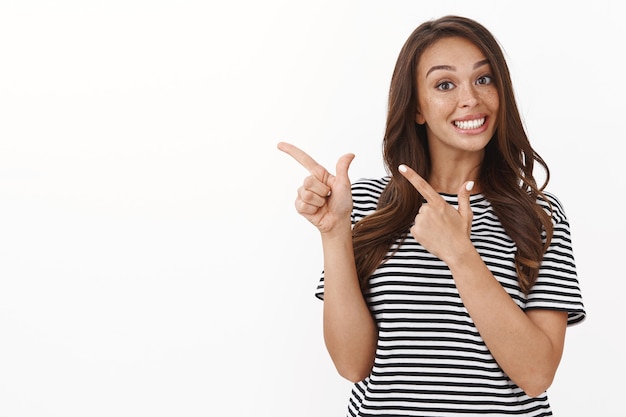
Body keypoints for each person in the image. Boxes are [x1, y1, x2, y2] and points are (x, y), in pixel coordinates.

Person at [277, 15, 585, 416]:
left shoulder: (538, 215)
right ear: (417, 109)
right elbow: (352, 365)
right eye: (444, 85)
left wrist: (461, 255)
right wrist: (334, 233)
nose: (471, 98)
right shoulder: (368, 205)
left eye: (484, 79)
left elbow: (537, 374)